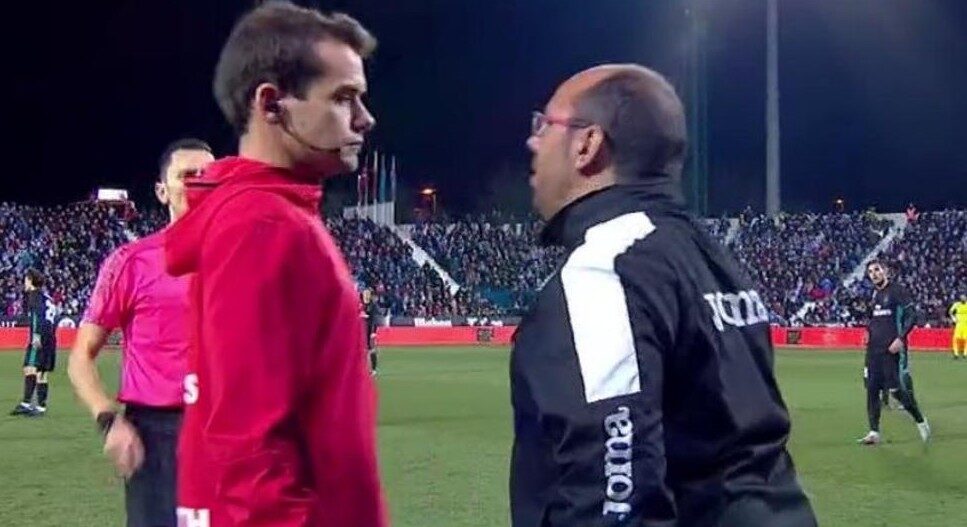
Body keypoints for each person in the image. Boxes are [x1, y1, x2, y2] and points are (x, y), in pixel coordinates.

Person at [510, 64, 816, 526]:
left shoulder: (604, 271)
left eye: (544, 125)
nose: (533, 141)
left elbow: (612, 499)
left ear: (587, 144)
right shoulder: (710, 258)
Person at [163, 2, 385, 525]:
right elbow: (251, 451)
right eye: (343, 97)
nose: (365, 118)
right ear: (271, 104)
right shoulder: (263, 226)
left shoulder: (267, 216)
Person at [67, 139, 214, 527]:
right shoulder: (131, 263)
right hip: (158, 435)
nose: (200, 183)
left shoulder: (249, 260)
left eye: (208, 175)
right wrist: (108, 420)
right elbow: (81, 356)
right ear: (162, 191)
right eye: (187, 175)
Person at [857, 261, 930, 445]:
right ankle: (874, 432)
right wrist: (868, 331)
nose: (874, 274)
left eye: (877, 270)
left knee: (895, 391)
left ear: (885, 271)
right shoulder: (874, 294)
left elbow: (912, 315)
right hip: (873, 349)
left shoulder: (897, 291)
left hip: (890, 348)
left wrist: (900, 338)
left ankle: (920, 419)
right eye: (870, 272)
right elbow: (873, 318)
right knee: (872, 389)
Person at [10, 268, 58, 417]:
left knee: (30, 367)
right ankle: (39, 406)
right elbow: (53, 317)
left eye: (26, 280)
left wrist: (36, 336)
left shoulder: (34, 296)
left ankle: (27, 404)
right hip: (50, 337)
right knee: (41, 372)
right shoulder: (46, 297)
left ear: (31, 280)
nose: (24, 283)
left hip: (39, 337)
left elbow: (37, 316)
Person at [362, 288, 380, 374]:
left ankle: (373, 369)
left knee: (372, 349)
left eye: (367, 294)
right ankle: (363, 369)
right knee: (363, 350)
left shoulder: (373, 305)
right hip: (362, 330)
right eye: (364, 294)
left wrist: (374, 332)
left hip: (370, 330)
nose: (366, 295)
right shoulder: (361, 304)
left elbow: (375, 319)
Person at [949, 293, 967, 359]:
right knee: (955, 339)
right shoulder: (957, 304)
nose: (963, 299)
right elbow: (950, 312)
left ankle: (965, 353)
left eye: (964, 298)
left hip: (966, 324)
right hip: (959, 324)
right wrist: (953, 318)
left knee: (966, 339)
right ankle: (956, 354)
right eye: (962, 298)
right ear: (960, 299)